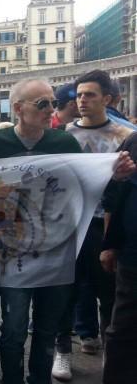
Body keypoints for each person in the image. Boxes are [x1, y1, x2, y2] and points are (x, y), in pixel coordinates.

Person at [0, 78, 134, 384]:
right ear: (19, 109)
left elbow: (91, 186)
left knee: (47, 329)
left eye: (53, 101)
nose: (53, 109)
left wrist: (115, 176)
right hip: (13, 255)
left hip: (56, 253)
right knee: (14, 329)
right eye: (43, 103)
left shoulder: (64, 143)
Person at [52, 70, 135, 381]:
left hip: (104, 224)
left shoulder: (124, 136)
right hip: (70, 224)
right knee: (66, 290)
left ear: (108, 99)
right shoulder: (63, 135)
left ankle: (111, 354)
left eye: (90, 95)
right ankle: (62, 350)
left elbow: (125, 189)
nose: (82, 100)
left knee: (110, 294)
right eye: (79, 94)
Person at [101, 131, 137, 384]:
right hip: (133, 256)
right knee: (123, 330)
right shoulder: (134, 142)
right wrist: (110, 245)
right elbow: (115, 196)